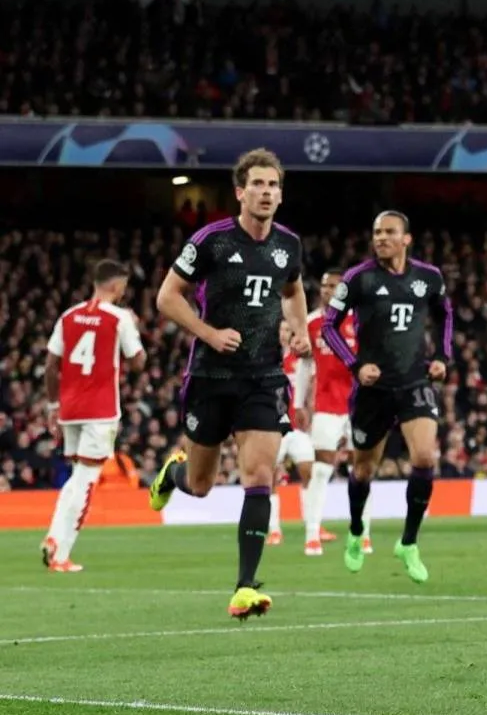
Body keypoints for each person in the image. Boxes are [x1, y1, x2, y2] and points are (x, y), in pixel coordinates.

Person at [149, 149, 309, 621]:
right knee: (198, 485)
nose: (266, 192)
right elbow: (166, 297)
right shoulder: (211, 241)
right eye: (257, 184)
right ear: (240, 192)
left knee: (259, 476)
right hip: (210, 378)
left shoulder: (288, 245)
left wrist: (297, 327)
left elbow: (294, 288)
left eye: (273, 185)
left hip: (263, 377)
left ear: (280, 194)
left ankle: (245, 586)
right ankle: (171, 473)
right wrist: (209, 334)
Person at [322, 211, 453, 583]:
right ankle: (354, 529)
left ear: (406, 239)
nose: (381, 238)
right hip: (372, 390)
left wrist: (442, 357)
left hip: (414, 382)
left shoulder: (429, 278)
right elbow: (331, 326)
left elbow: (446, 314)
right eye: (377, 231)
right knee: (364, 469)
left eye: (389, 232)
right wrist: (355, 364)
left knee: (425, 457)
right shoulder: (358, 278)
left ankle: (408, 542)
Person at [41, 259, 146, 572]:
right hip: (100, 410)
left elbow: (50, 365)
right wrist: (136, 330)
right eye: (124, 287)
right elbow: (137, 362)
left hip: (70, 409)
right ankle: (61, 555)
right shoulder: (119, 318)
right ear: (116, 286)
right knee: (87, 481)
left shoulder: (68, 316)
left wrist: (51, 406)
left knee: (76, 476)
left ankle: (53, 538)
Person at [305, 269, 363, 557]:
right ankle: (312, 534)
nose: (328, 290)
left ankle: (362, 532)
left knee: (361, 470)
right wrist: (301, 402)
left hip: (358, 406)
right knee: (320, 470)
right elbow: (302, 362)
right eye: (325, 285)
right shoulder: (312, 323)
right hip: (326, 406)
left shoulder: (361, 321)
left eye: (334, 286)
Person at [269, 320, 317, 547]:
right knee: (269, 478)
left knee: (309, 472)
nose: (284, 334)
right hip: (273, 426)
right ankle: (274, 529)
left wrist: (310, 408)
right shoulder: (268, 357)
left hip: (297, 427)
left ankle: (312, 525)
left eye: (288, 330)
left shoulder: (301, 359)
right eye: (281, 330)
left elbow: (311, 386)